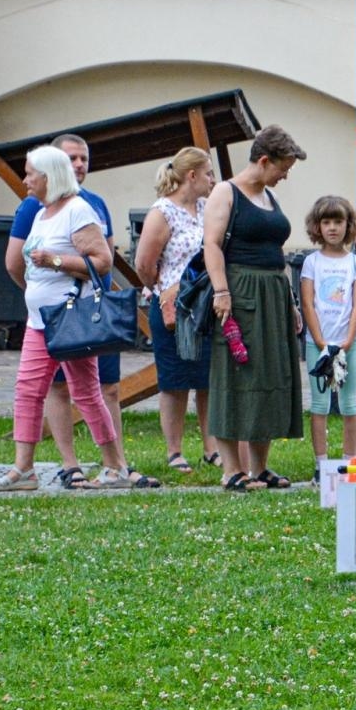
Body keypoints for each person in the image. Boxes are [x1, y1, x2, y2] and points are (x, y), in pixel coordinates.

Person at [0, 144, 132, 491]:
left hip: (70, 321)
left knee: (85, 393)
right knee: (28, 390)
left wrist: (54, 261)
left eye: (29, 174)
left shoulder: (77, 211)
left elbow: (102, 262)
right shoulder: (40, 213)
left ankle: (114, 466)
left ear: (49, 177)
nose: (25, 180)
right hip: (41, 320)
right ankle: (24, 470)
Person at [201, 125, 307, 492]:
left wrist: (290, 301)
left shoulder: (267, 196)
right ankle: (232, 469)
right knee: (236, 376)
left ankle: (259, 467)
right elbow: (211, 245)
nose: (285, 175)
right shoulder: (224, 192)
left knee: (270, 375)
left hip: (273, 292)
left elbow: (276, 254)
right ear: (264, 160)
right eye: (283, 167)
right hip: (240, 291)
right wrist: (221, 292)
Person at [134, 146, 218, 475]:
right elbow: (143, 263)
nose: (213, 179)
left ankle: (212, 448)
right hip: (175, 307)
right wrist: (164, 289)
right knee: (175, 380)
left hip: (207, 305)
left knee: (208, 378)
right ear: (191, 176)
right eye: (208, 173)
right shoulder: (162, 212)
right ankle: (174, 450)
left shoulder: (208, 208)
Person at [300, 195, 356, 472]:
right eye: (326, 222)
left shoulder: (355, 263)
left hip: (348, 343)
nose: (332, 228)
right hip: (319, 345)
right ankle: (322, 465)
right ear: (317, 226)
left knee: (350, 403)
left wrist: (348, 342)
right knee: (320, 404)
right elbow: (308, 303)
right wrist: (321, 342)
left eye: (338, 221)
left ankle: (350, 461)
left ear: (347, 225)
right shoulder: (312, 262)